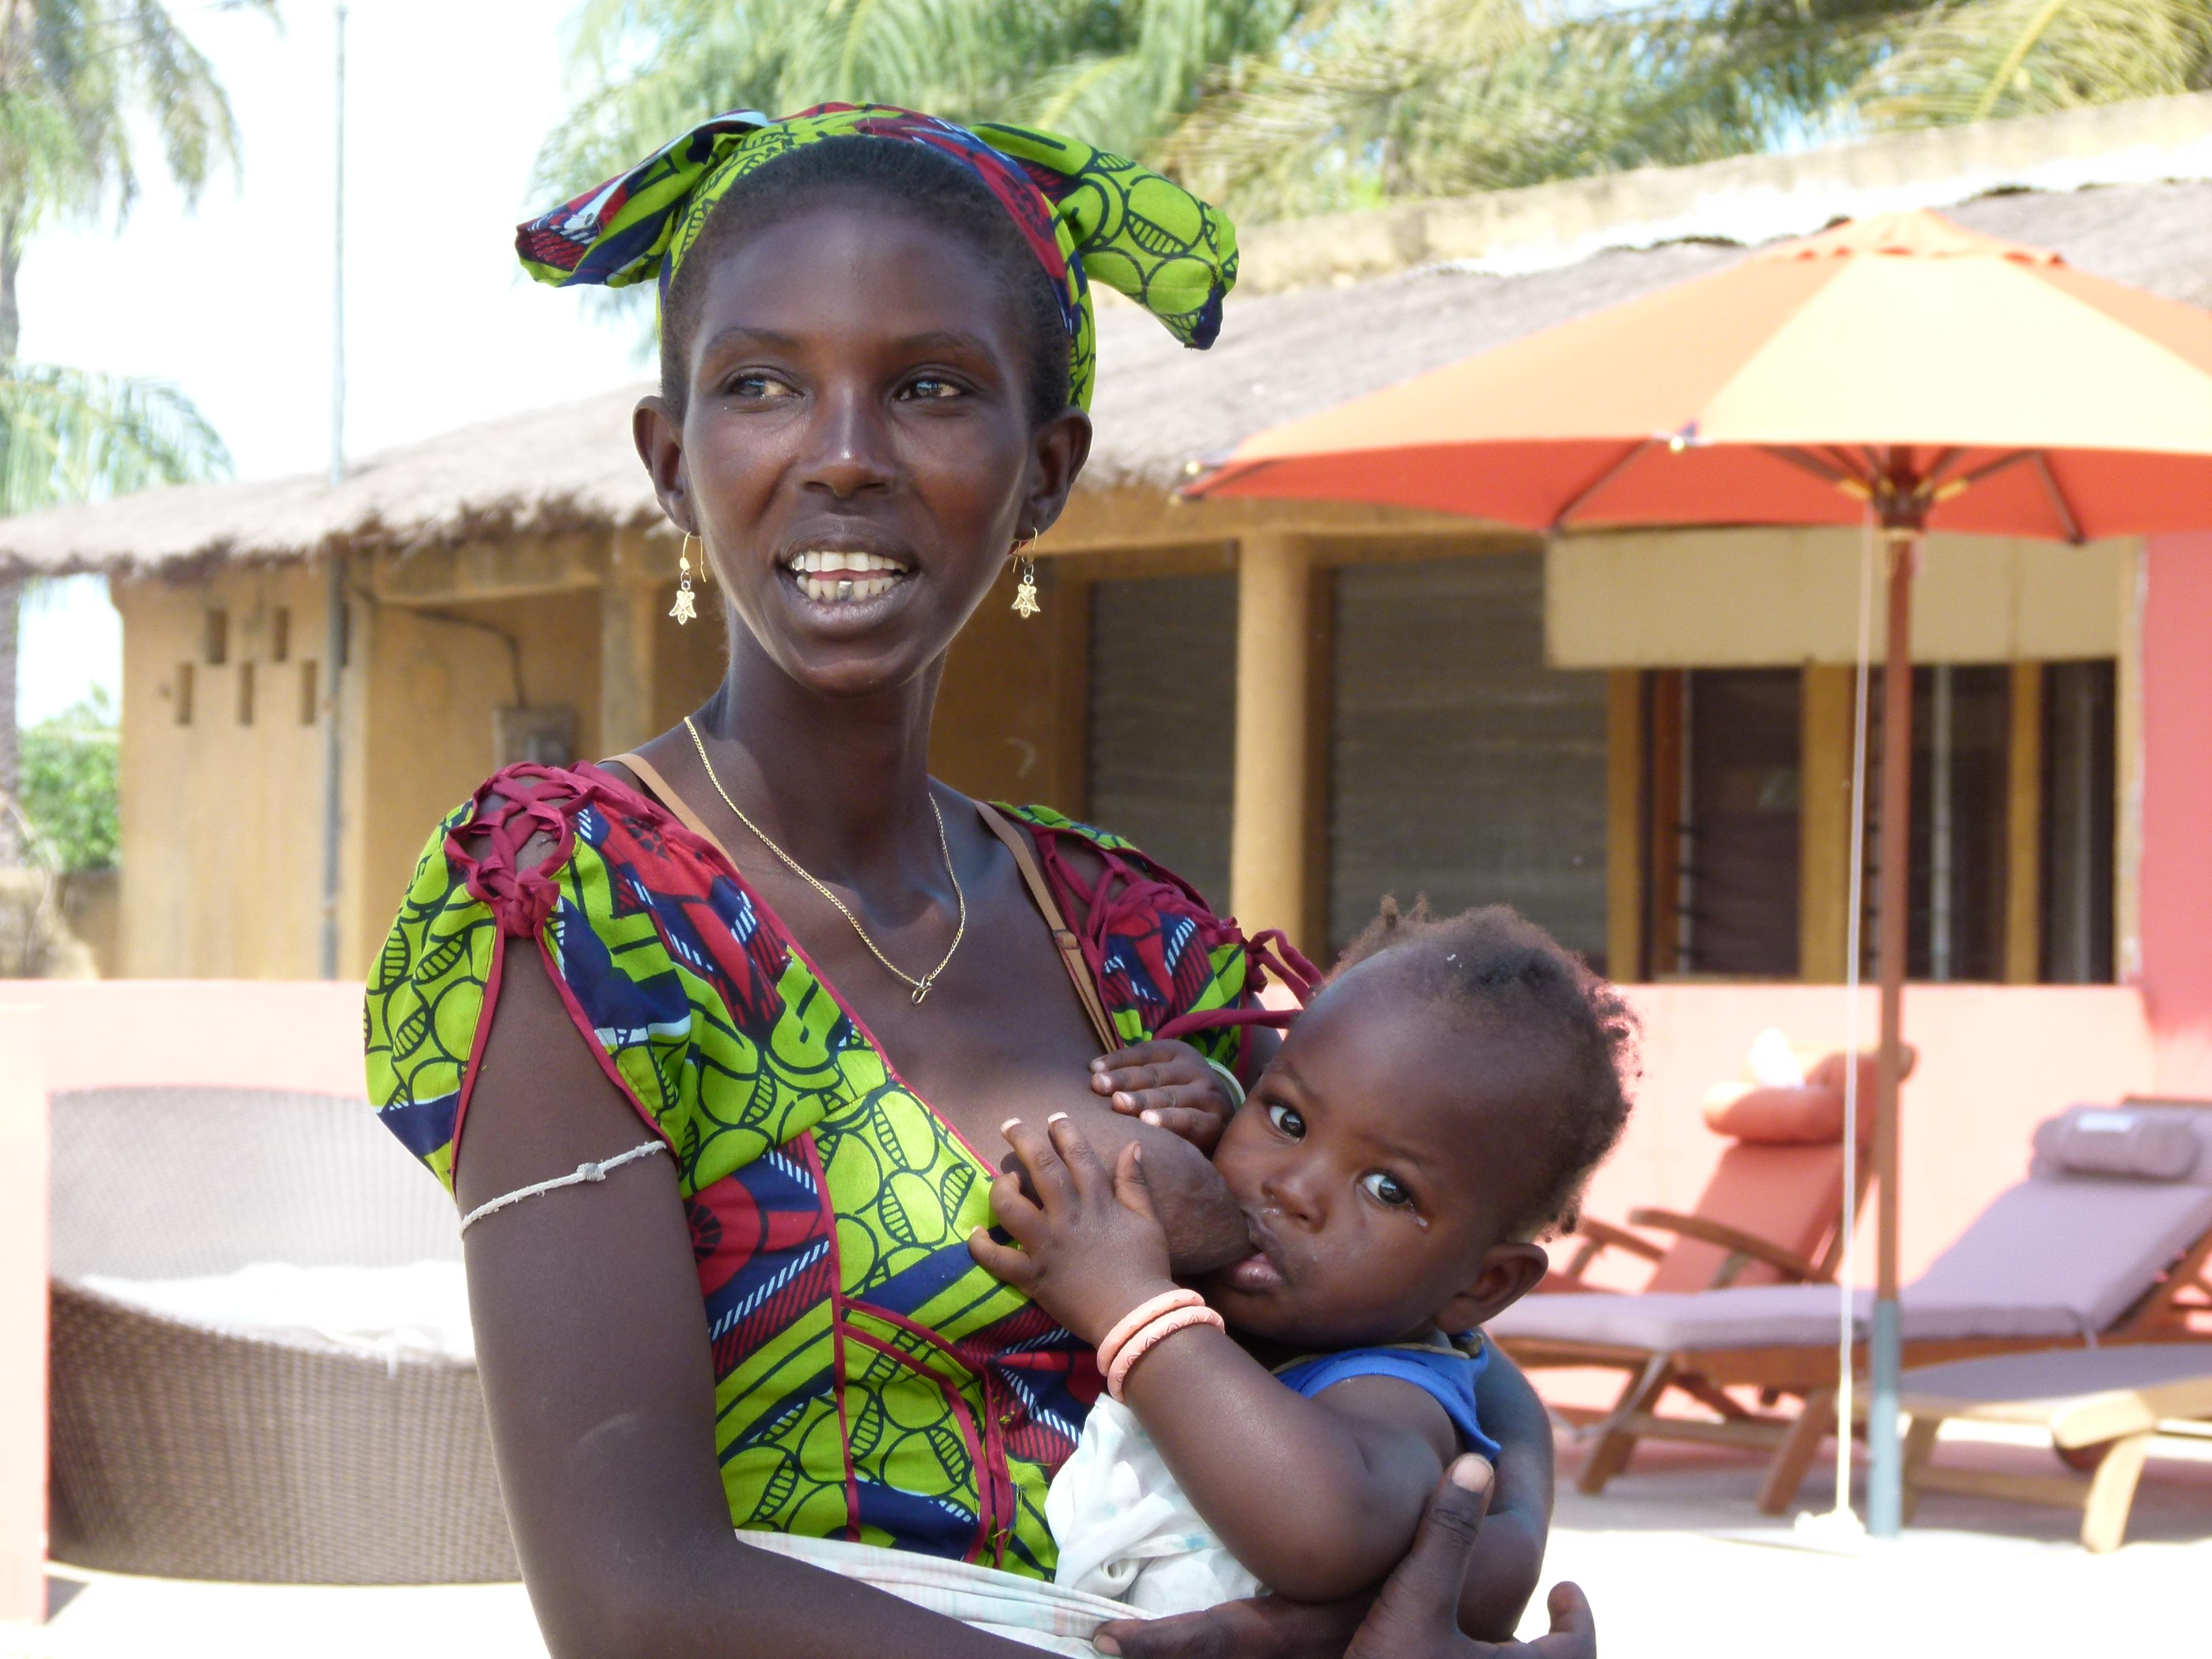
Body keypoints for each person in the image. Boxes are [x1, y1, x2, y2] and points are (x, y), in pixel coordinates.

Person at [365, 102, 1590, 1659]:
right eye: (762, 386)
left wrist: (1482, 1555)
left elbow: (1424, 1337)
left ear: (1045, 471)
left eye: (934, 389)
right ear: (674, 464)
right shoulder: (585, 907)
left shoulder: (1132, 939)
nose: (847, 456)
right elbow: (632, 1601)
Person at [977, 904, 1632, 1618]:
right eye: (1288, 1119)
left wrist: (1131, 1309)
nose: (1293, 1190)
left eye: (1389, 1190)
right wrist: (1209, 1108)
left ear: (1482, 1283)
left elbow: (1324, 1534)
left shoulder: (1392, 1388)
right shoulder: (1270, 1291)